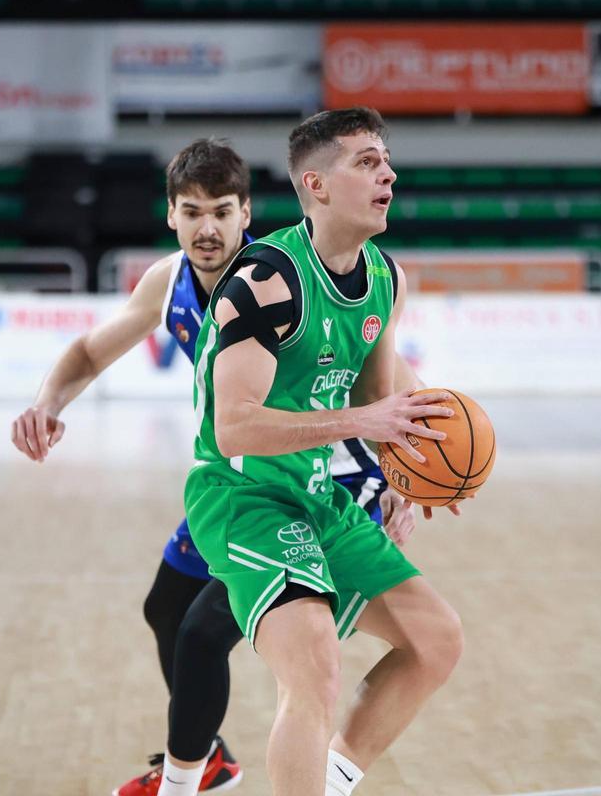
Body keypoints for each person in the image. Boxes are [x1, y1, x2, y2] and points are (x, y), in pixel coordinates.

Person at [9, 139, 417, 796]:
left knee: (204, 636)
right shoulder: (167, 281)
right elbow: (89, 350)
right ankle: (213, 760)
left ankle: (201, 779)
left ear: (245, 214)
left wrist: (406, 475)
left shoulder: (278, 279)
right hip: (246, 481)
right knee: (166, 609)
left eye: (222, 212)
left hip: (322, 485)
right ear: (171, 215)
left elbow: (384, 379)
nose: (207, 228)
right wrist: (46, 403)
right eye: (193, 212)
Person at [182, 107, 466, 796]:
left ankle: (322, 783)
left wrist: (409, 467)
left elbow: (382, 394)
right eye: (367, 161)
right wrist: (368, 419)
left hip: (316, 496)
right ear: (316, 183)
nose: (388, 173)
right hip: (242, 498)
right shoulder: (266, 280)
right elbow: (236, 427)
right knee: (313, 666)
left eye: (387, 159)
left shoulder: (384, 278)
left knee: (436, 640)